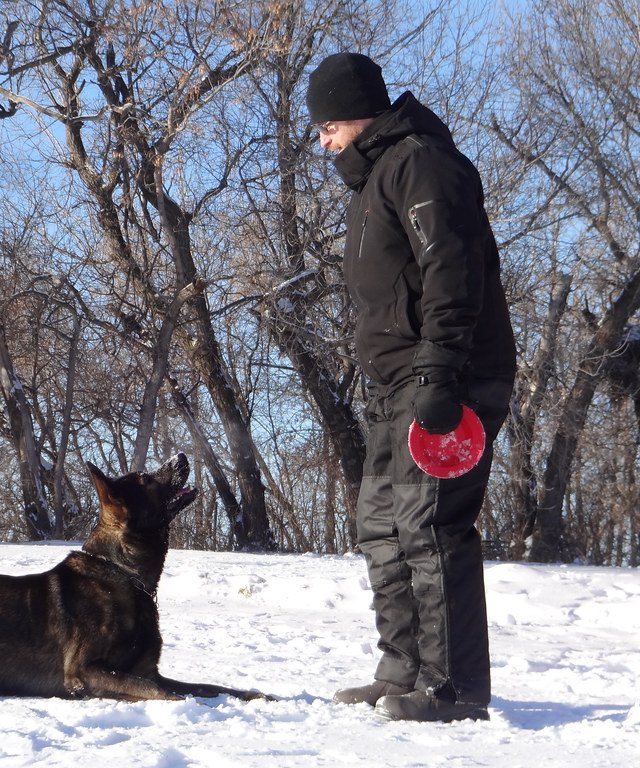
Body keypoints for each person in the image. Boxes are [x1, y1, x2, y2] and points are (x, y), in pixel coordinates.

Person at [305, 52, 517, 722]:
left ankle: (455, 687)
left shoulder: (420, 163)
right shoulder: (378, 179)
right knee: (381, 526)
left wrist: (441, 370)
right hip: (396, 380)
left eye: (328, 126)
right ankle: (403, 668)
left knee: (430, 524)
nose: (323, 141)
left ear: (356, 114)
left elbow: (452, 272)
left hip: (447, 374)